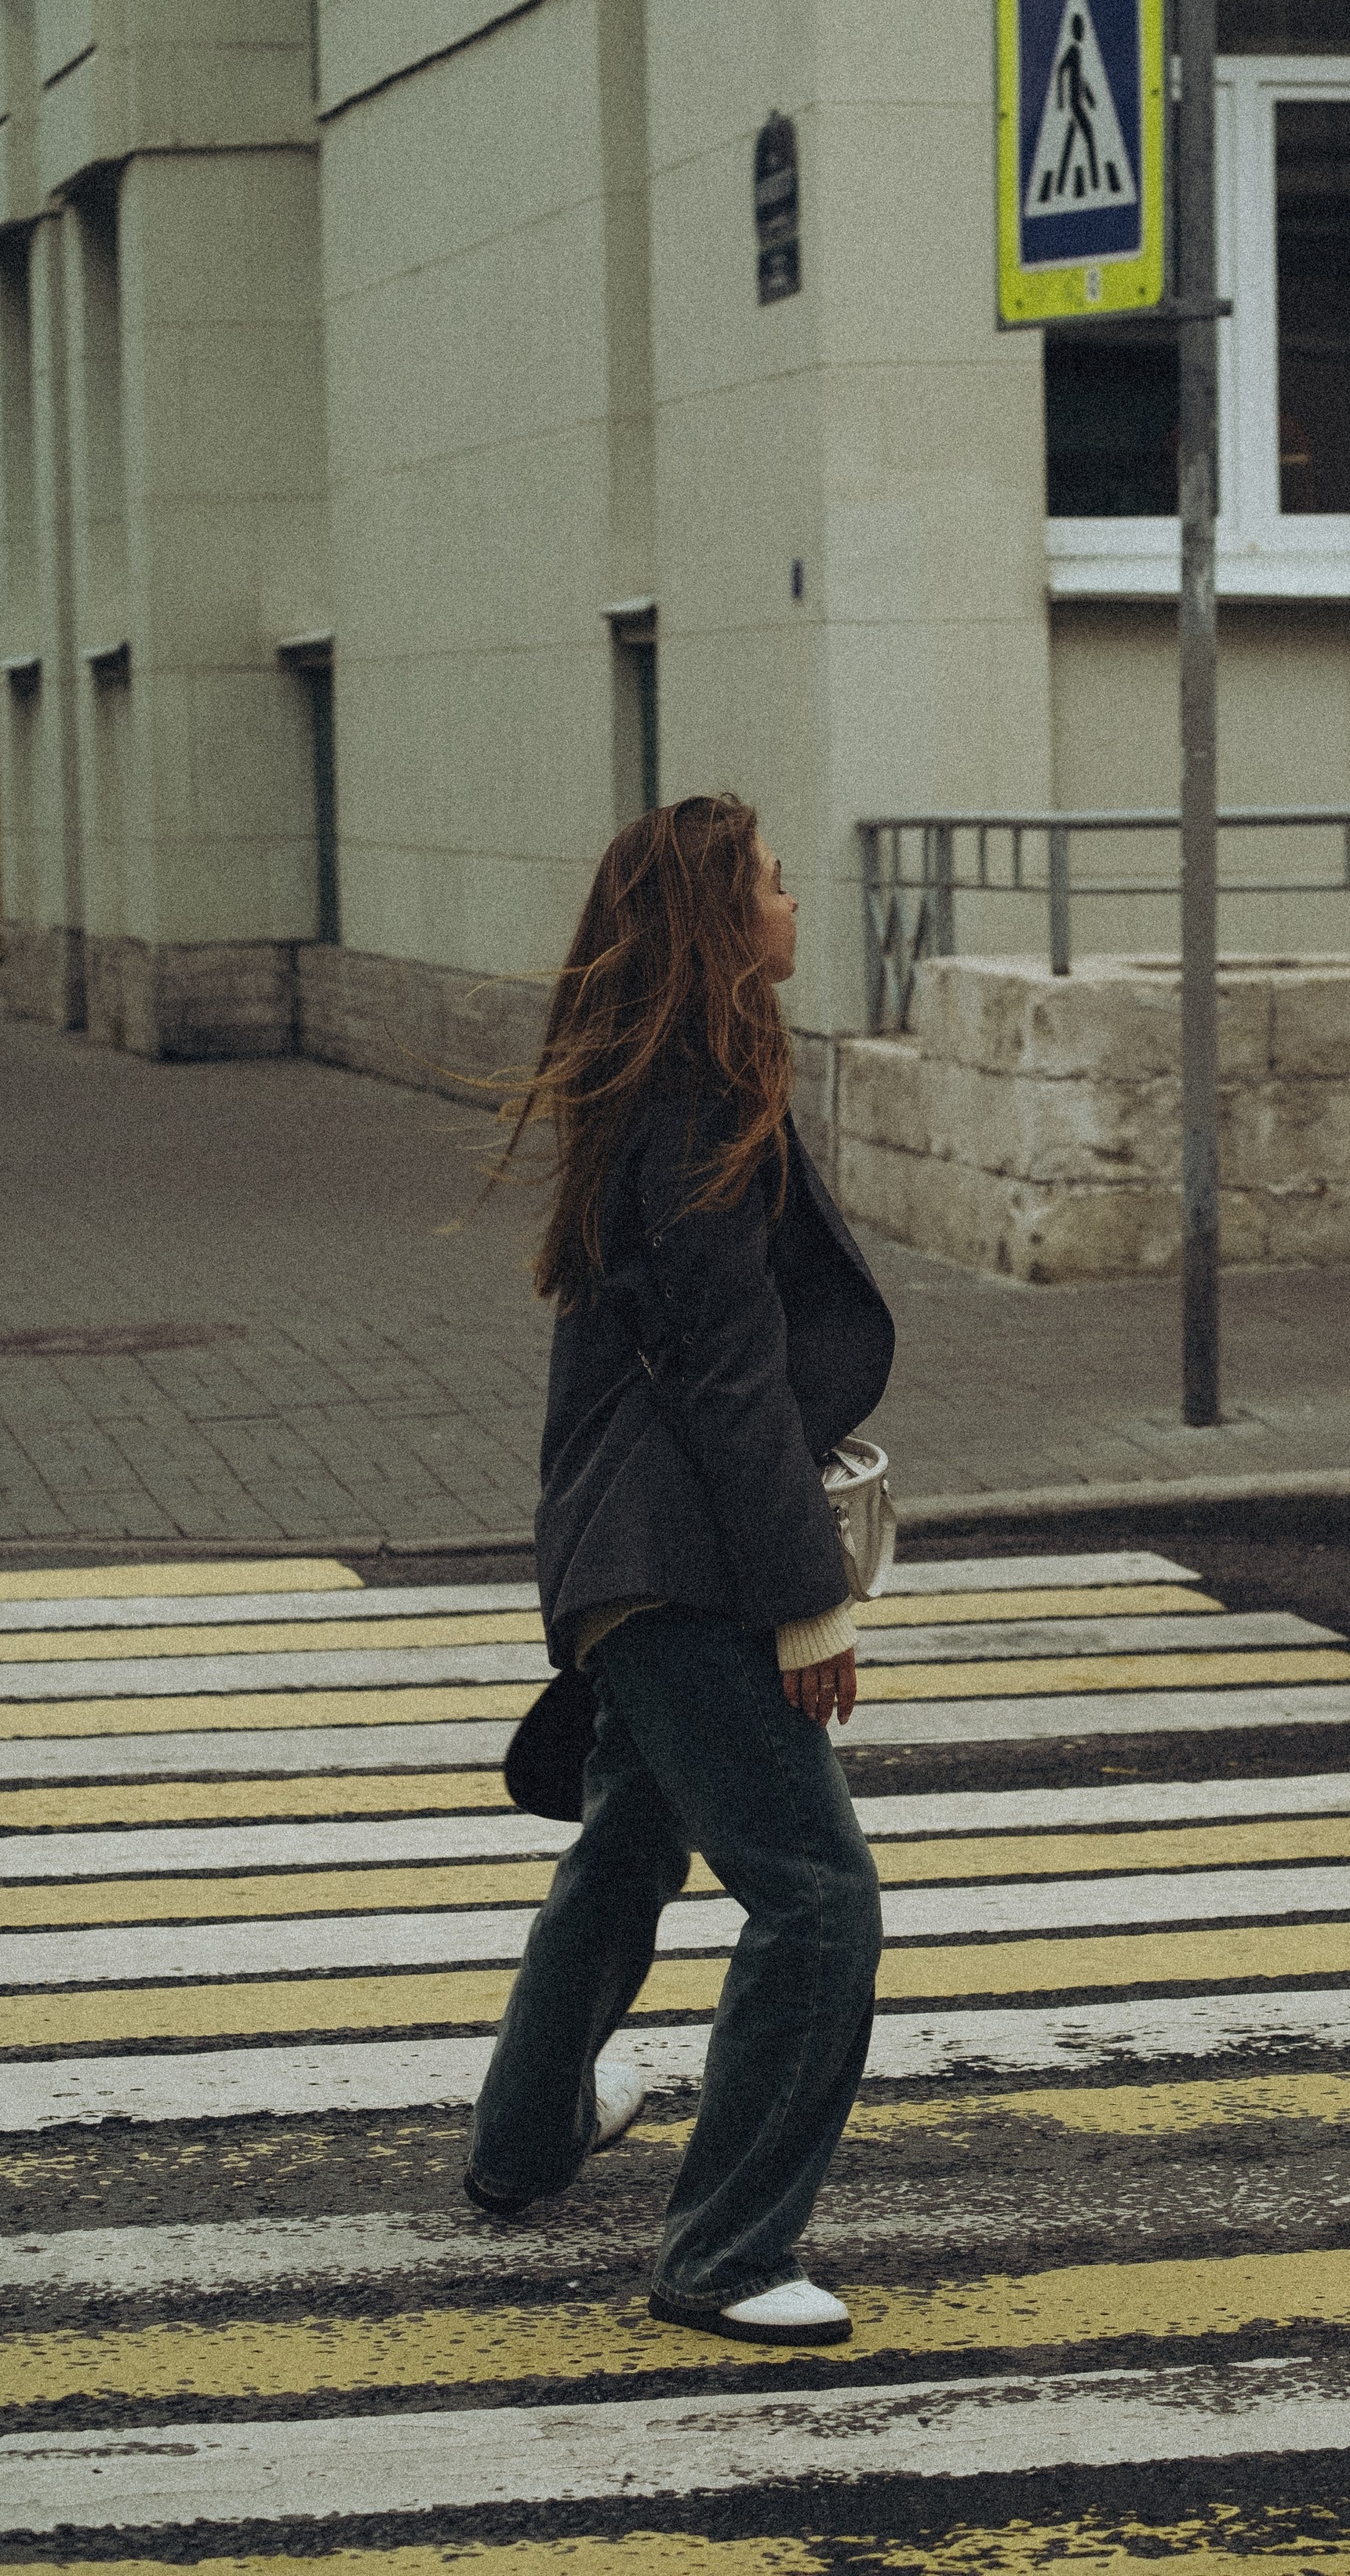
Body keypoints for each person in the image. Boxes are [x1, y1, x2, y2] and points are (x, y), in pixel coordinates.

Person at [463, 794, 895, 2348]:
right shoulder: (703, 1100)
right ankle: (721, 2257)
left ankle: (524, 2142)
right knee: (819, 1903)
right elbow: (724, 1371)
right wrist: (808, 1600)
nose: (795, 897)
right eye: (773, 881)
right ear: (722, 923)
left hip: (619, 1552)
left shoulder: (648, 1086)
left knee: (625, 1855)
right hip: (689, 1556)